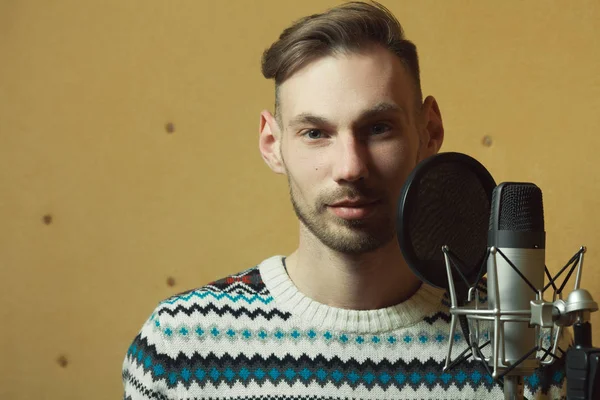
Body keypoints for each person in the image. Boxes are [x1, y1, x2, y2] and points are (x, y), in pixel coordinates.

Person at [122, 2, 567, 399]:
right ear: (272, 144)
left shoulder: (528, 344)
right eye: (315, 133)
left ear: (429, 130)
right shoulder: (180, 345)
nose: (350, 167)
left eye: (378, 129)